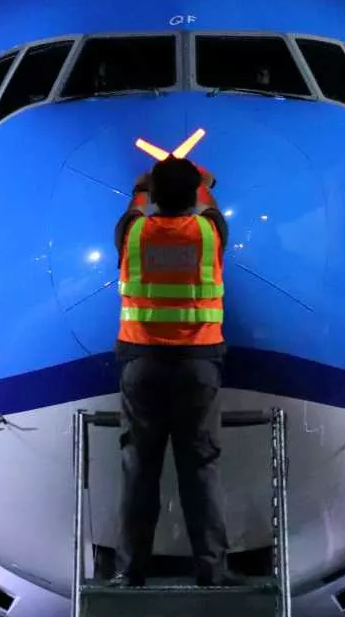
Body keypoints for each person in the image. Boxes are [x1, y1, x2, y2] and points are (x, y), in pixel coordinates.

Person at [109, 154, 243, 588]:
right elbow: (214, 212)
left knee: (139, 470)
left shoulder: (133, 235)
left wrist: (140, 186)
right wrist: (205, 180)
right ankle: (212, 569)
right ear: (193, 196)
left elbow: (130, 214)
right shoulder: (209, 233)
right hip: (198, 365)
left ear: (153, 197)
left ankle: (130, 570)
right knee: (201, 469)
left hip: (142, 363)